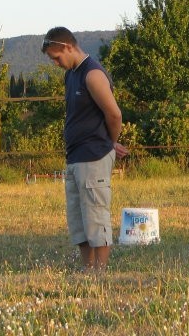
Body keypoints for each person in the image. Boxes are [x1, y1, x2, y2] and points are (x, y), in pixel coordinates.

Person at [41, 27, 129, 270]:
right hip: (75, 157)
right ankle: (87, 268)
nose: (56, 63)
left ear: (68, 46)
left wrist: (109, 144)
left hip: (94, 157)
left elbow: (114, 114)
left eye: (56, 57)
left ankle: (99, 272)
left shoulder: (93, 75)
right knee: (79, 218)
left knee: (95, 214)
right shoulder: (71, 75)